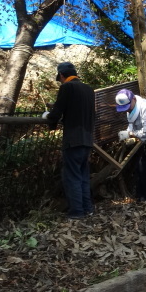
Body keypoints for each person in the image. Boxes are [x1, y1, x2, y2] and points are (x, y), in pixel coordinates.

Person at [43, 62, 95, 220]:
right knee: (83, 176)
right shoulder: (88, 89)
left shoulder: (67, 87)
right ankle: (88, 209)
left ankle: (76, 213)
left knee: (72, 177)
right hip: (87, 139)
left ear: (61, 75)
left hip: (73, 139)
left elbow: (58, 110)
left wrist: (49, 119)